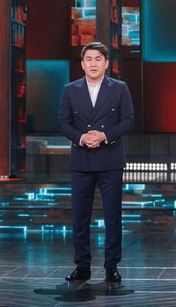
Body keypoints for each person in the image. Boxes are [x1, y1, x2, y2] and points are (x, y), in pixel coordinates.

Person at [58, 41, 134, 283]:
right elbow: (63, 122)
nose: (93, 64)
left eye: (98, 59)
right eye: (88, 59)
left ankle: (112, 265)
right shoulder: (70, 89)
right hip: (81, 159)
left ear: (106, 63)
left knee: (113, 215)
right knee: (80, 216)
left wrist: (104, 136)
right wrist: (82, 138)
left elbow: (128, 120)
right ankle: (82, 265)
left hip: (110, 159)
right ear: (82, 64)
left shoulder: (119, 88)